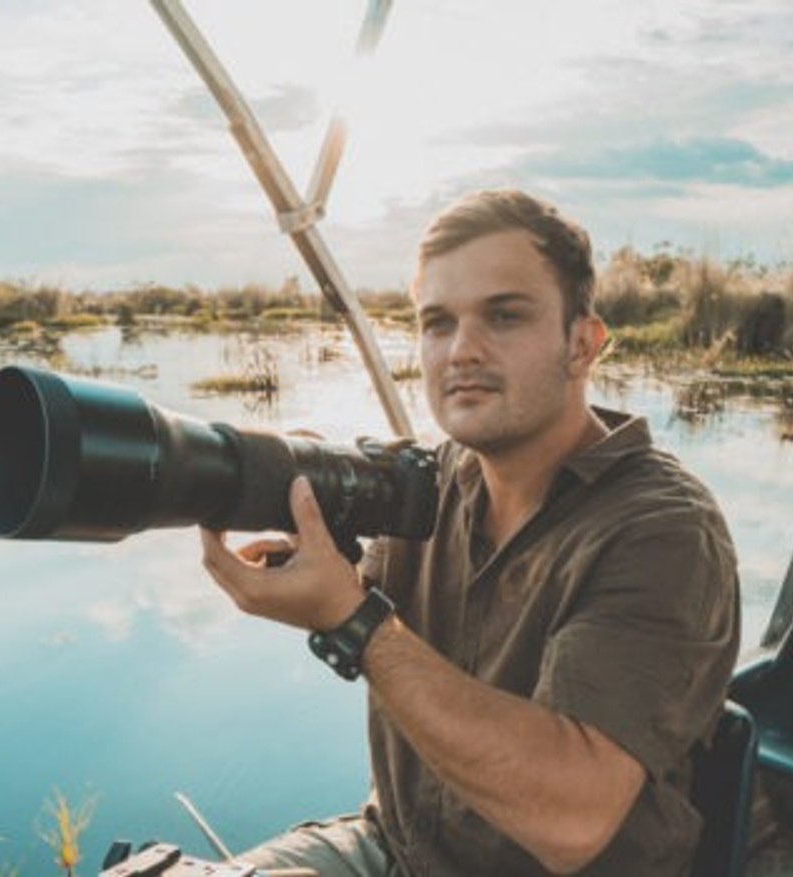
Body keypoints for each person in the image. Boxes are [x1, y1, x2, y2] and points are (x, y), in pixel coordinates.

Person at [199, 189, 740, 876]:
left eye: (504, 315)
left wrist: (354, 621)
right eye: (436, 322)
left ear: (583, 342)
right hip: (394, 848)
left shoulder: (664, 531)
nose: (461, 350)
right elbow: (369, 606)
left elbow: (572, 815)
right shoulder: (430, 479)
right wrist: (314, 574)